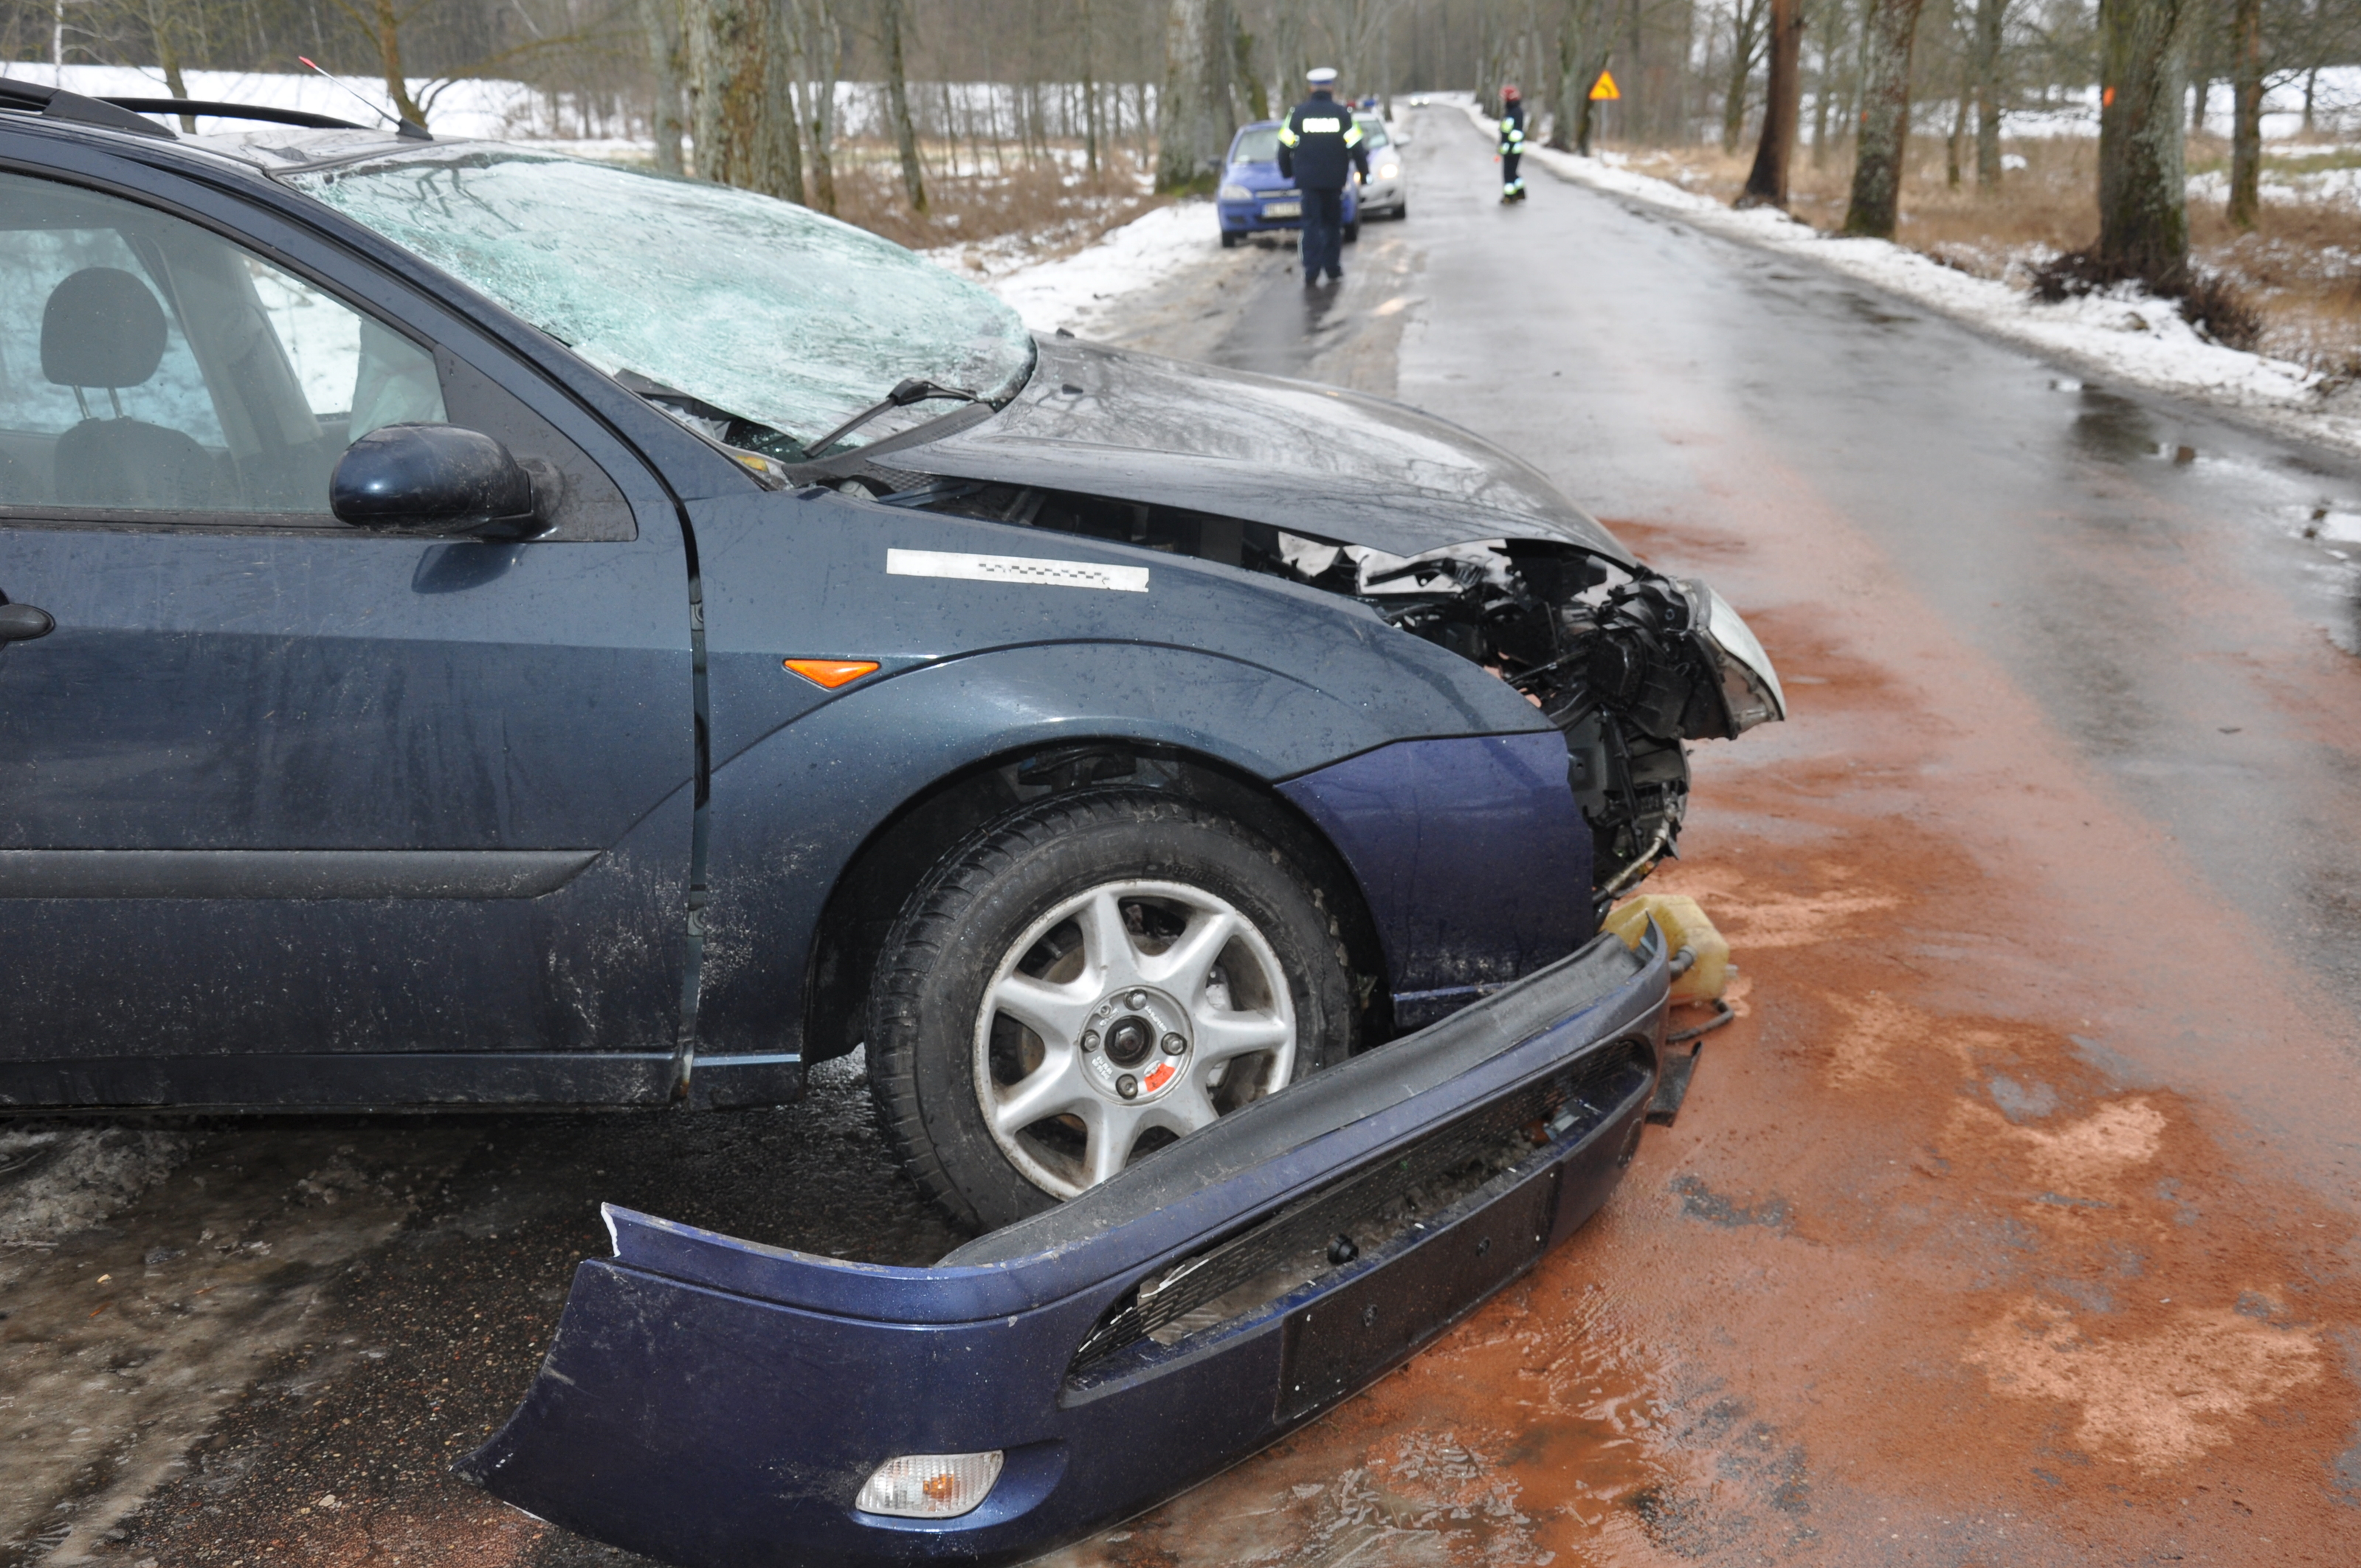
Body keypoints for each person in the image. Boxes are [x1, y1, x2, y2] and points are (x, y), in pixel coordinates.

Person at [1276, 66, 1369, 285]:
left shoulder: (1297, 114)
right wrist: (1364, 174)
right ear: (1331, 87)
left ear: (1311, 88)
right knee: (1331, 225)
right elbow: (1356, 147)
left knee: (1310, 225)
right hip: (1334, 181)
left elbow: (1283, 149)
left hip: (1308, 182)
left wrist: (1287, 171)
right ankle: (1332, 268)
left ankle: (1311, 270)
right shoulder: (1342, 114)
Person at [1497, 83, 1527, 203]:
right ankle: (1520, 192)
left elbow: (1516, 132)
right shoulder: (1514, 111)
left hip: (1512, 148)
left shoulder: (1515, 112)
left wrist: (1509, 145)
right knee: (1513, 173)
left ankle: (1509, 196)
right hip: (1513, 148)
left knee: (1508, 174)